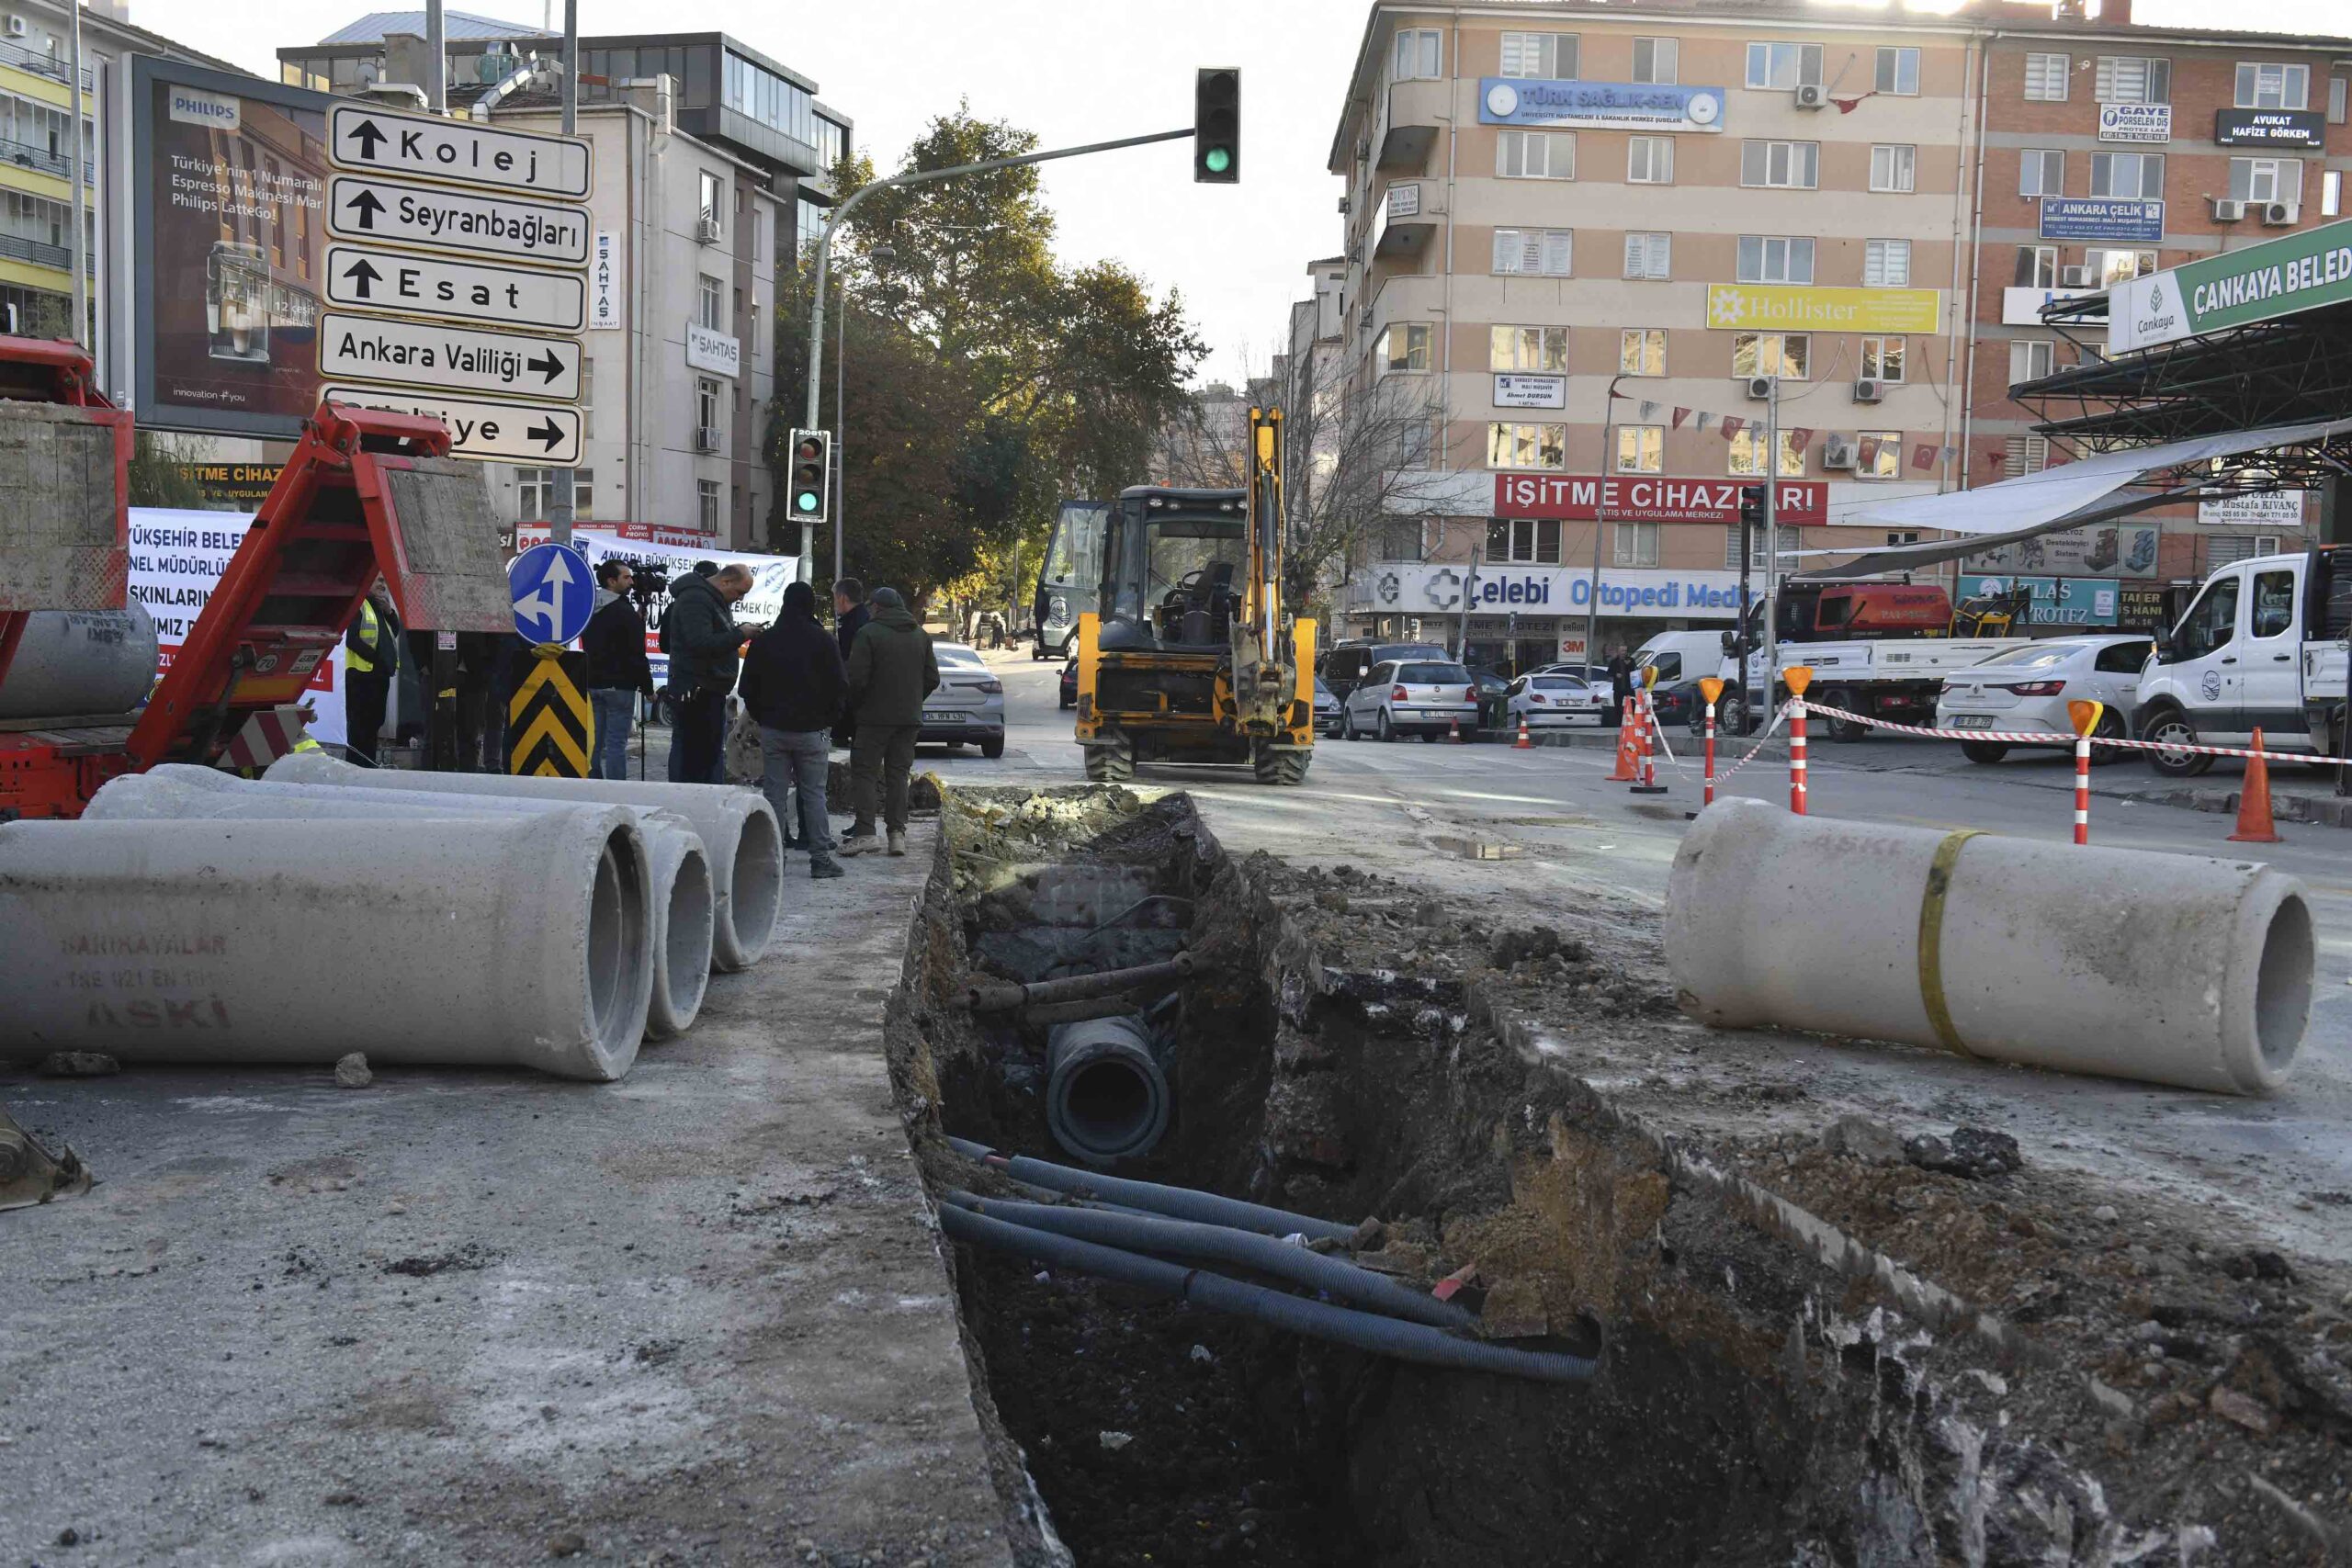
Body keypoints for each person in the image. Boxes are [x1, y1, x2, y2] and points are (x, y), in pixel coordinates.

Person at [739, 581, 848, 879]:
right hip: (812, 732)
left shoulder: (766, 641)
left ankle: (773, 858)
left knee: (774, 793)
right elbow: (840, 686)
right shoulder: (823, 641)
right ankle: (820, 859)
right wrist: (828, 719)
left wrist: (763, 717)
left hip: (774, 730)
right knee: (814, 795)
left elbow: (747, 687)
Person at [839, 585, 937, 858]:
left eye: (871, 607)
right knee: (898, 775)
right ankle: (897, 835)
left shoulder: (868, 633)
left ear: (877, 607)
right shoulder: (920, 635)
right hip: (908, 719)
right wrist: (913, 700)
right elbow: (932, 678)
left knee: (864, 773)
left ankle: (866, 833)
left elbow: (856, 679)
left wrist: (857, 706)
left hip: (873, 719)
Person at [664, 562, 752, 787]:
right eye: (739, 592)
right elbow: (701, 643)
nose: (739, 598)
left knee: (706, 756)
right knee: (695, 761)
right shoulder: (696, 599)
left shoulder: (713, 599)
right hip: (696, 692)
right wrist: (740, 634)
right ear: (725, 581)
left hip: (707, 690)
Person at [583, 559, 655, 781]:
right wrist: (648, 688)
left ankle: (593, 781)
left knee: (594, 740)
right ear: (611, 581)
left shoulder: (589, 608)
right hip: (620, 686)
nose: (632, 582)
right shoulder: (624, 612)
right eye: (626, 577)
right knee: (616, 743)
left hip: (594, 682)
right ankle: (617, 788)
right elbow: (635, 655)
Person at [343, 581, 401, 766]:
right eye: (380, 580)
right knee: (360, 727)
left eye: (385, 581)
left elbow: (392, 634)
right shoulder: (359, 604)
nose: (384, 585)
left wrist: (390, 613)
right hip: (362, 676)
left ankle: (369, 765)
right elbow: (352, 640)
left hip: (379, 676)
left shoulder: (380, 608)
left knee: (374, 724)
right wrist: (378, 659)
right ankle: (357, 766)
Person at [831, 576, 869, 750]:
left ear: (842, 598)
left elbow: (851, 665)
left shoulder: (855, 625)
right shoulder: (862, 619)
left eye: (835, 599)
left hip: (856, 703)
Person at [1607, 646, 1634, 728]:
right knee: (1617, 706)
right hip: (1618, 687)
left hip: (1629, 687)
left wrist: (1628, 665)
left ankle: (1631, 721)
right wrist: (1616, 674)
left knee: (1632, 704)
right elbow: (1609, 672)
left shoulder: (1630, 660)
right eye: (1622, 651)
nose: (1624, 652)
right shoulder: (1614, 662)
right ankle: (1618, 723)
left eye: (1625, 651)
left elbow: (1635, 670)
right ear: (1619, 652)